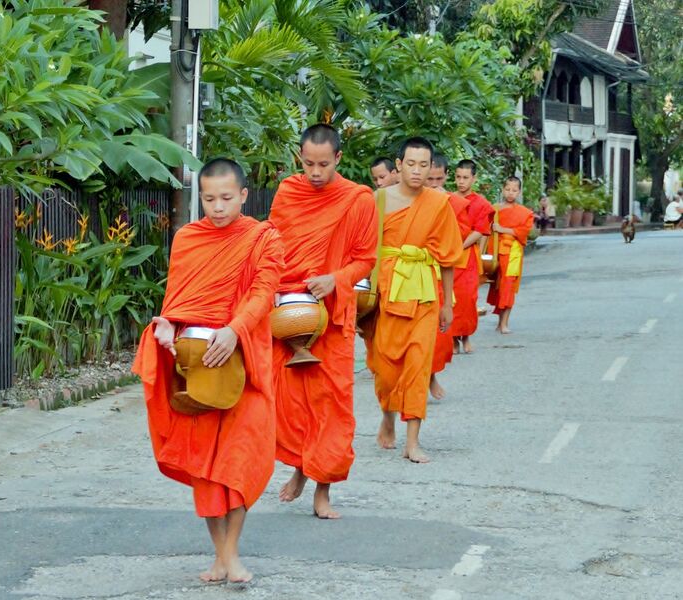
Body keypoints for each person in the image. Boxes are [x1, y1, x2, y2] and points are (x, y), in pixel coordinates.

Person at [132, 158, 284, 584]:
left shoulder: (262, 238)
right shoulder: (187, 239)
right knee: (205, 467)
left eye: (225, 198)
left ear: (243, 196)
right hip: (197, 363)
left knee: (239, 460)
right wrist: (167, 328)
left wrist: (234, 331)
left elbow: (264, 291)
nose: (217, 207)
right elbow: (177, 299)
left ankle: (228, 555)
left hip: (245, 359)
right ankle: (225, 556)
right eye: (209, 198)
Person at [271, 124, 378, 518]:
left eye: (322, 165)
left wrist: (336, 279)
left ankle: (323, 488)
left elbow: (366, 258)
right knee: (292, 400)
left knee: (332, 403)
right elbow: (275, 248)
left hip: (332, 316)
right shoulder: (288, 191)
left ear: (338, 159)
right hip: (289, 312)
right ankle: (300, 465)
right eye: (307, 164)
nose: (314, 173)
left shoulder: (358, 200)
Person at [365, 137, 463, 463]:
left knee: (418, 366)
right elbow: (364, 249)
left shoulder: (438, 203)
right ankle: (388, 416)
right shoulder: (379, 200)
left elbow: (448, 255)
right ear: (398, 165)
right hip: (387, 291)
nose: (418, 171)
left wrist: (448, 302)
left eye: (424, 164)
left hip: (423, 292)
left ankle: (413, 441)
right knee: (386, 369)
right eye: (411, 164)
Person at [426, 155, 472, 400]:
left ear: (445, 177)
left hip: (436, 272)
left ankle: (431, 376)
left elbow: (458, 239)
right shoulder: (406, 199)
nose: (433, 184)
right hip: (410, 272)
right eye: (428, 178)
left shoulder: (452, 203)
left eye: (438, 179)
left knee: (436, 335)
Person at [451, 159, 494, 354]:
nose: (461, 182)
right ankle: (452, 339)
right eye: (458, 177)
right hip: (449, 255)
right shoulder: (448, 200)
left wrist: (461, 245)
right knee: (450, 298)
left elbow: (480, 229)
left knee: (467, 298)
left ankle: (466, 336)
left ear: (474, 178)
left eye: (465, 178)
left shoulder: (481, 203)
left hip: (467, 256)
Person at [487, 176, 535, 334]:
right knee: (498, 286)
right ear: (502, 189)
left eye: (514, 190)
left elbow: (523, 232)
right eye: (508, 189)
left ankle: (504, 323)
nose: (510, 193)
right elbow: (486, 230)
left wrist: (503, 229)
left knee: (508, 285)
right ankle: (500, 322)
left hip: (513, 252)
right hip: (495, 251)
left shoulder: (524, 213)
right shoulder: (494, 210)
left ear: (519, 192)